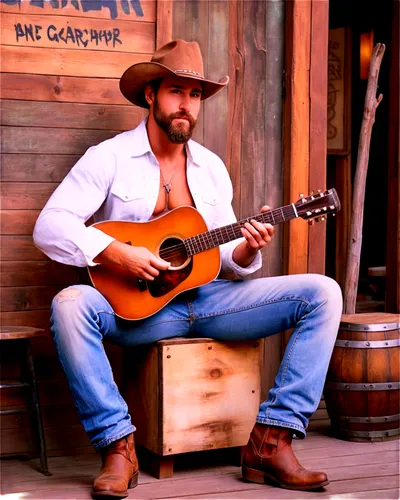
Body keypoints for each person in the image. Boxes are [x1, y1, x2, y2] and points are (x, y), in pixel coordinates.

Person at [33, 40, 343, 498]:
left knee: (323, 292)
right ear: (150, 95)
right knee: (69, 303)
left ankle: (271, 440)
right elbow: (49, 226)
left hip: (208, 300)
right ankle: (119, 447)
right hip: (136, 313)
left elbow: (225, 258)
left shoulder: (211, 169)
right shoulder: (109, 157)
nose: (187, 105)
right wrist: (119, 253)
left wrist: (244, 251)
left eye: (195, 95)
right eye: (177, 91)